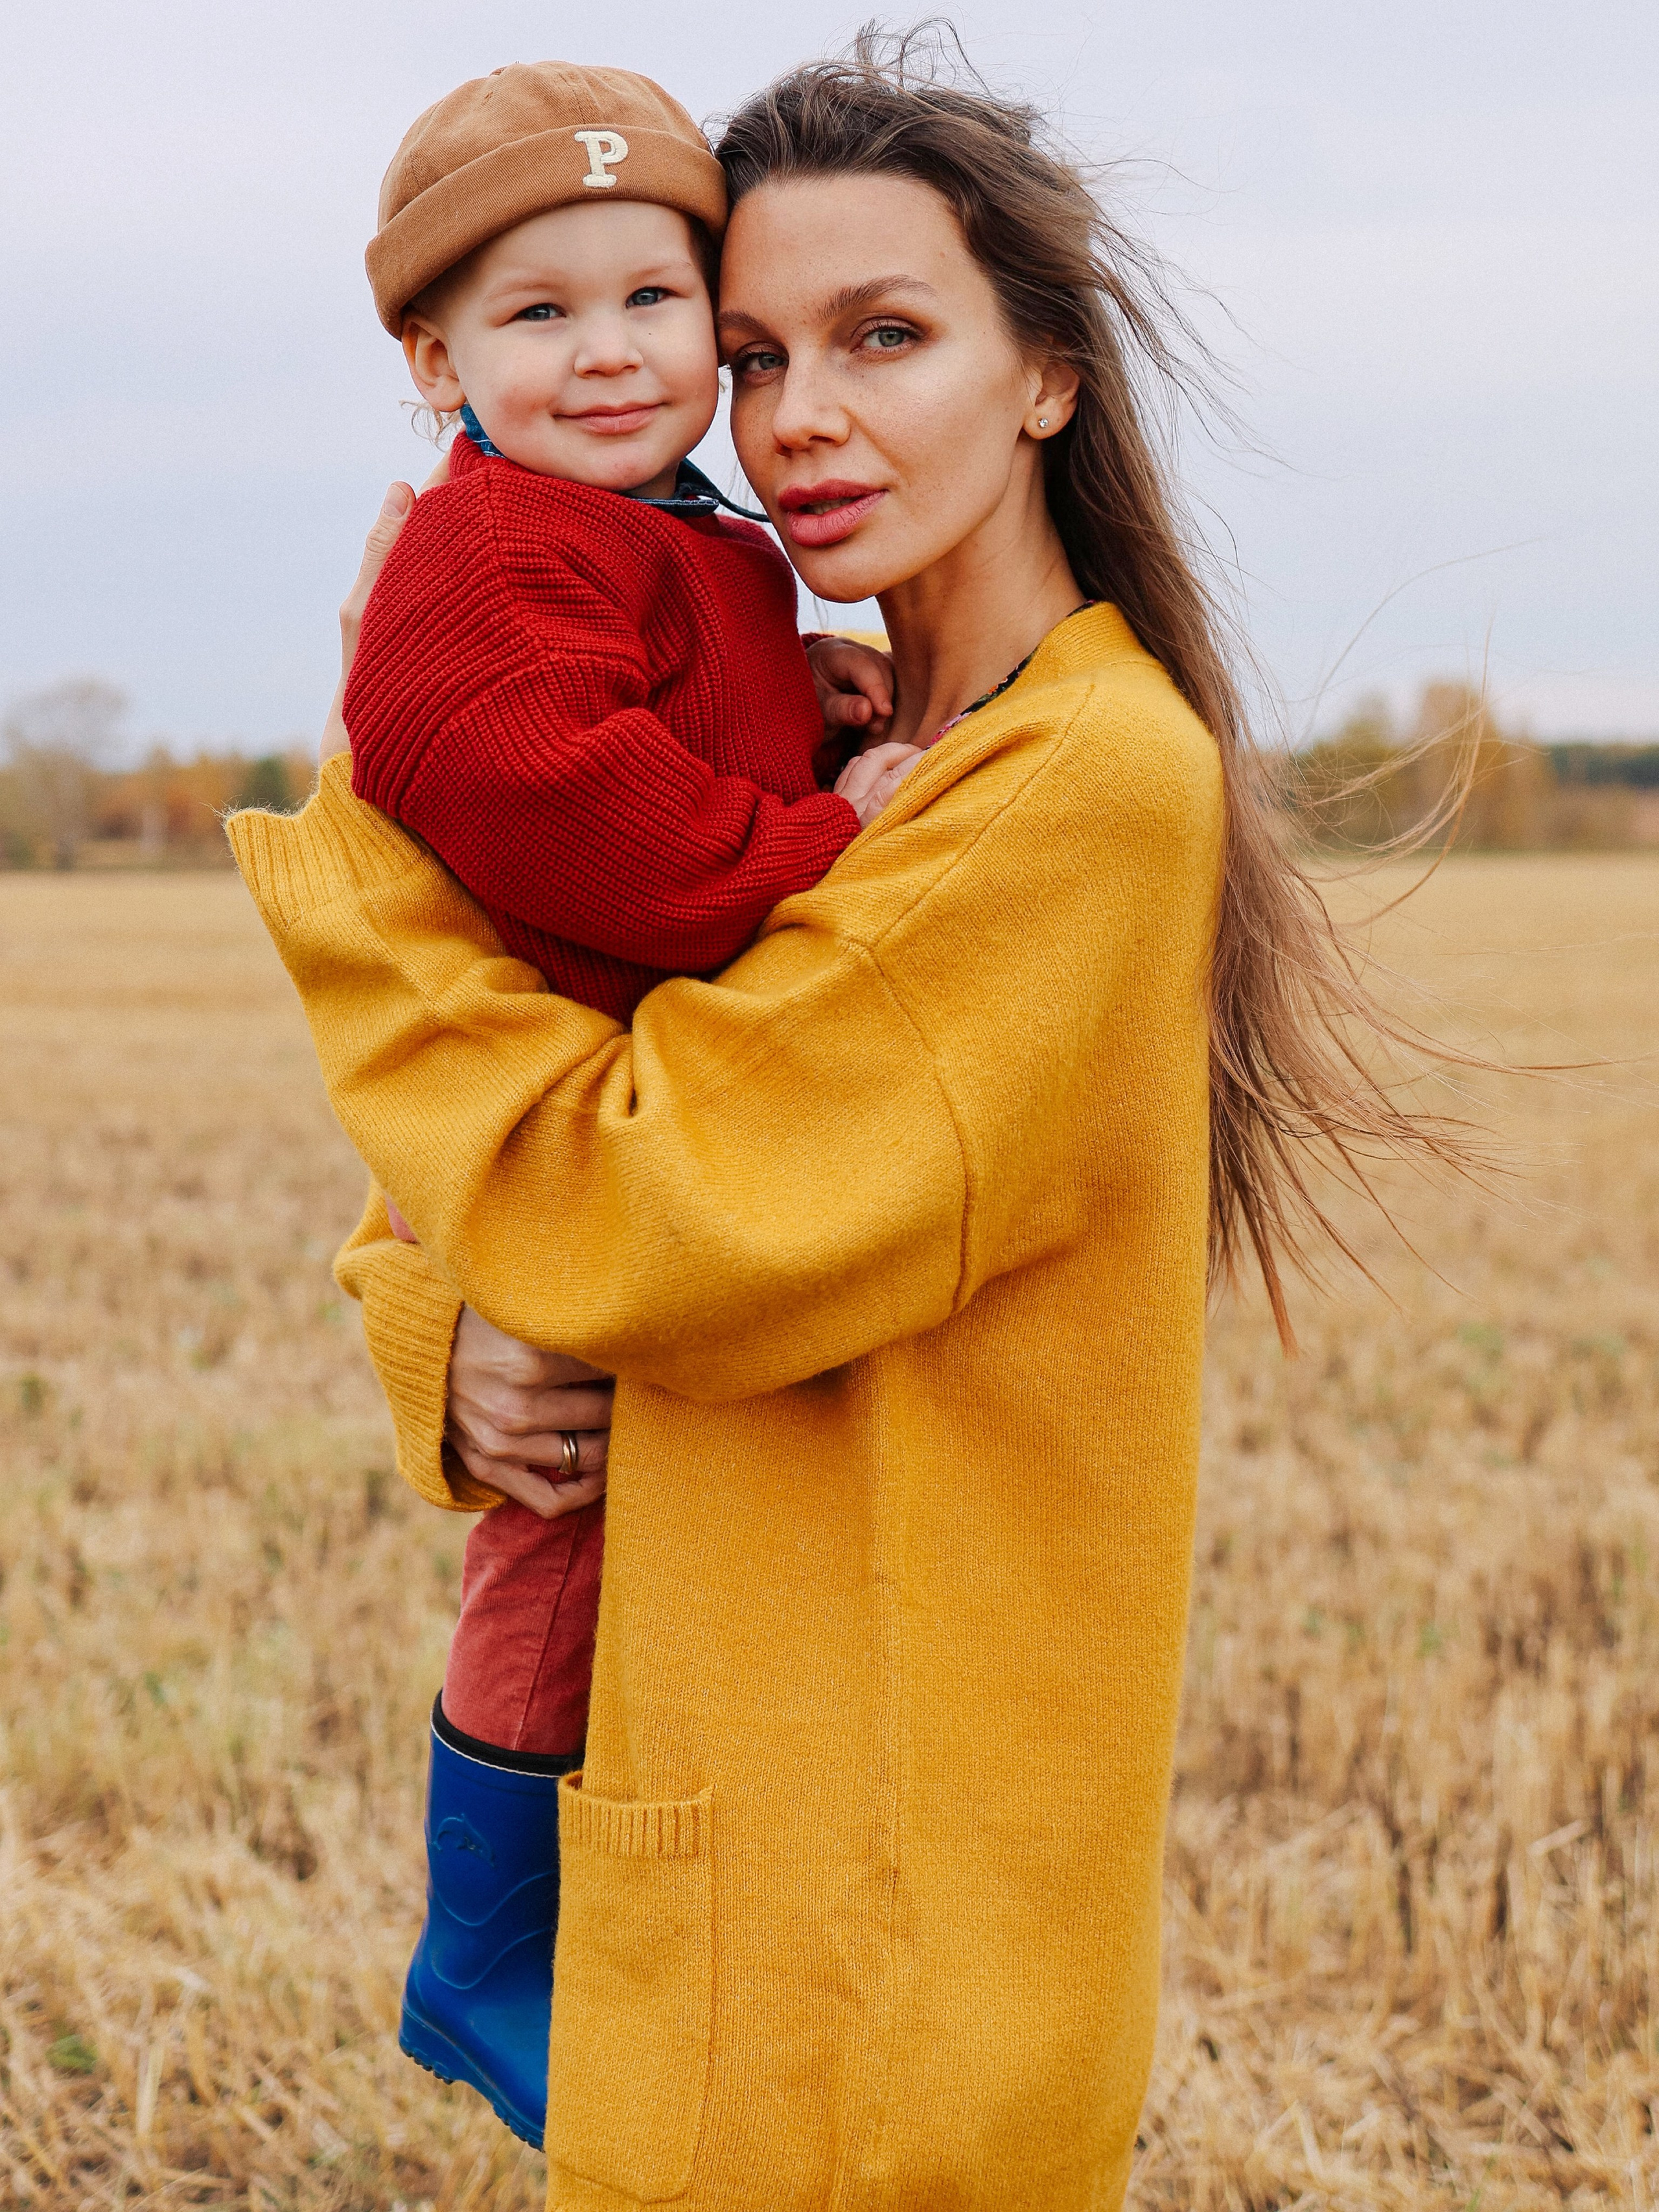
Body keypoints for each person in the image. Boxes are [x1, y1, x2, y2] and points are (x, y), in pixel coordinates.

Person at [232, 40, 1465, 2212]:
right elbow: (557, 1140)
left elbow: (633, 1207)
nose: (798, 414)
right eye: (757, 349)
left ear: (1047, 379)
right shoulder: (828, 766)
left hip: (881, 1968)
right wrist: (455, 1336)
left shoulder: (1071, 788)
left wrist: (352, 875)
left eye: (887, 338)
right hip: (749, 1892)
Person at [333, 60, 907, 2147]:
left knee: (602, 1569)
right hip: (561, 1150)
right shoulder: (494, 555)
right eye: (537, 315)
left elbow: (687, 702)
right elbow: (592, 822)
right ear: (435, 360)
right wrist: (827, 838)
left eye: (655, 302)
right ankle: (482, 1954)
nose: (609, 356)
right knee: (553, 1562)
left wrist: (814, 693)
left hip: (635, 1114)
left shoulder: (676, 534)